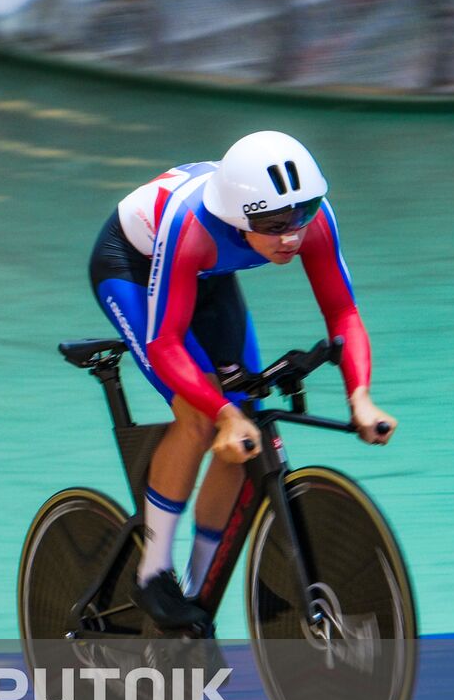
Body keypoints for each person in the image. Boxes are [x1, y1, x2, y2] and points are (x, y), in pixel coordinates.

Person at [89, 130, 396, 630]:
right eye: (273, 225)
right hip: (131, 265)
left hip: (206, 276)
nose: (292, 236)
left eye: (303, 215)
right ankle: (152, 573)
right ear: (238, 218)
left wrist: (359, 395)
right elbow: (165, 342)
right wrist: (222, 413)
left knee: (247, 430)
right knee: (202, 419)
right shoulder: (194, 226)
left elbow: (342, 312)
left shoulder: (303, 218)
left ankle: (198, 592)